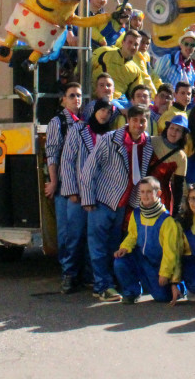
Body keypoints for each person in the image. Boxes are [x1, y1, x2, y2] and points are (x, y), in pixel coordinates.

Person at [80, 105, 154, 302]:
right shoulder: (110, 139)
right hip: (102, 200)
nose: (139, 124)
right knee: (97, 245)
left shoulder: (147, 144)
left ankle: (109, 281)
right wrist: (87, 198)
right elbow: (89, 169)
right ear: (128, 120)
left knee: (113, 244)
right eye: (135, 120)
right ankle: (102, 286)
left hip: (123, 203)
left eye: (143, 120)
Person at [59, 97, 115, 294]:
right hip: (79, 194)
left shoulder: (111, 135)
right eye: (101, 110)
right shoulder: (79, 130)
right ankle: (69, 274)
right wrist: (71, 190)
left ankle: (92, 276)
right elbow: (67, 161)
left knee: (97, 239)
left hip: (101, 196)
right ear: (93, 111)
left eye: (108, 112)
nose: (104, 114)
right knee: (74, 236)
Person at [113, 177, 184, 304]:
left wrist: (165, 273)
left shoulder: (166, 221)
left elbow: (171, 252)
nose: (145, 195)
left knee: (162, 297)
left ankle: (179, 287)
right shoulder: (136, 214)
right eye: (142, 192)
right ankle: (131, 292)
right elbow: (132, 236)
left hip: (157, 265)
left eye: (149, 192)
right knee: (120, 262)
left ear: (158, 193)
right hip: (141, 259)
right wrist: (124, 247)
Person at [46, 82, 83, 292]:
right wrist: (53, 182)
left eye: (78, 95)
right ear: (63, 99)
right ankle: (67, 273)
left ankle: (78, 273)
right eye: (72, 96)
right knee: (66, 233)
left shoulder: (85, 121)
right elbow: (52, 154)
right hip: (63, 186)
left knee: (78, 232)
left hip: (82, 186)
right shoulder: (57, 122)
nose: (76, 99)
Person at [92, 30, 153, 100]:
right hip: (97, 98)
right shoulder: (105, 53)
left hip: (119, 102)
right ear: (123, 42)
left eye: (136, 44)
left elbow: (136, 93)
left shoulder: (136, 70)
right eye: (130, 42)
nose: (133, 47)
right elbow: (84, 68)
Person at [148, 115, 189, 214]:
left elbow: (178, 186)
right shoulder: (151, 141)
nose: (173, 132)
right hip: (142, 189)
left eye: (178, 130)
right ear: (167, 128)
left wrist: (175, 211)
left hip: (162, 197)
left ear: (183, 134)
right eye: (172, 128)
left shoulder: (181, 157)